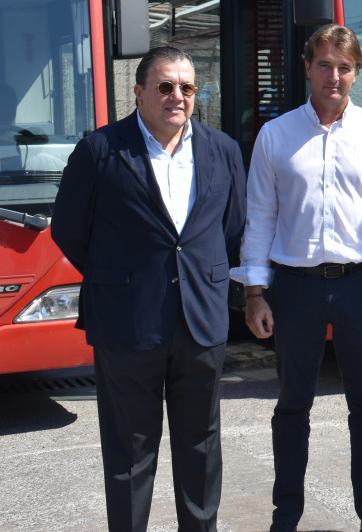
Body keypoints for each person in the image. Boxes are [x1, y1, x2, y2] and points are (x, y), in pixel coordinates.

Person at [232, 24, 362, 532]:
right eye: (324, 65)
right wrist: (254, 293)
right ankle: (287, 516)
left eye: (344, 67)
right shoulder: (276, 135)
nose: (334, 76)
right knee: (292, 405)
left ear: (356, 72)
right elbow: (259, 218)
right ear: (307, 68)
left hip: (359, 285)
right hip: (293, 286)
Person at [52, 46, 246, 532]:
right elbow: (70, 231)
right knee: (130, 452)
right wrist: (121, 278)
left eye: (186, 87)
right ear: (138, 93)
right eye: (164, 87)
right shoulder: (100, 150)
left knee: (201, 445)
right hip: (127, 323)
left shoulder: (221, 149)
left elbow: (233, 228)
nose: (176, 96)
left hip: (201, 321)